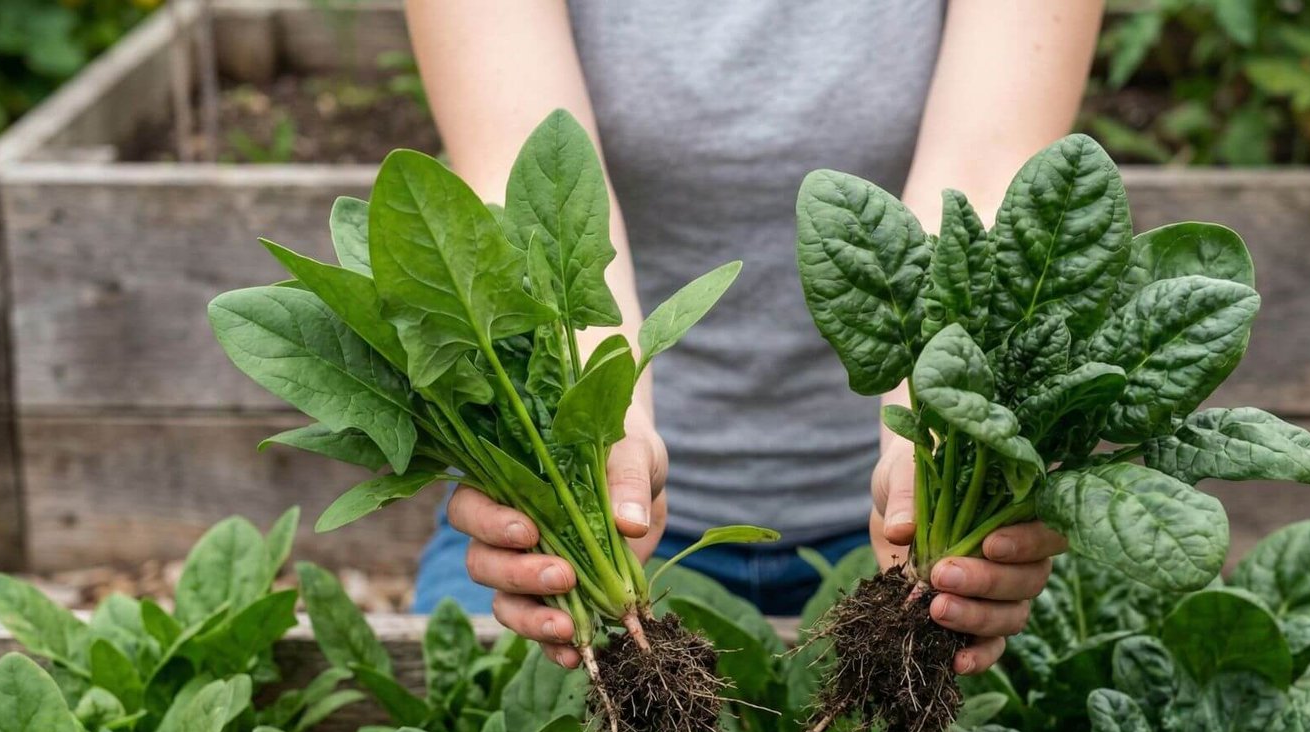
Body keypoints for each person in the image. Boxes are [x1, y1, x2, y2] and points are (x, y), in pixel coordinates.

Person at [407, 1, 1104, 671]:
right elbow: (533, 200)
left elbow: (978, 200)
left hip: (902, 526)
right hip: (601, 522)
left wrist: (931, 451)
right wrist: (600, 447)